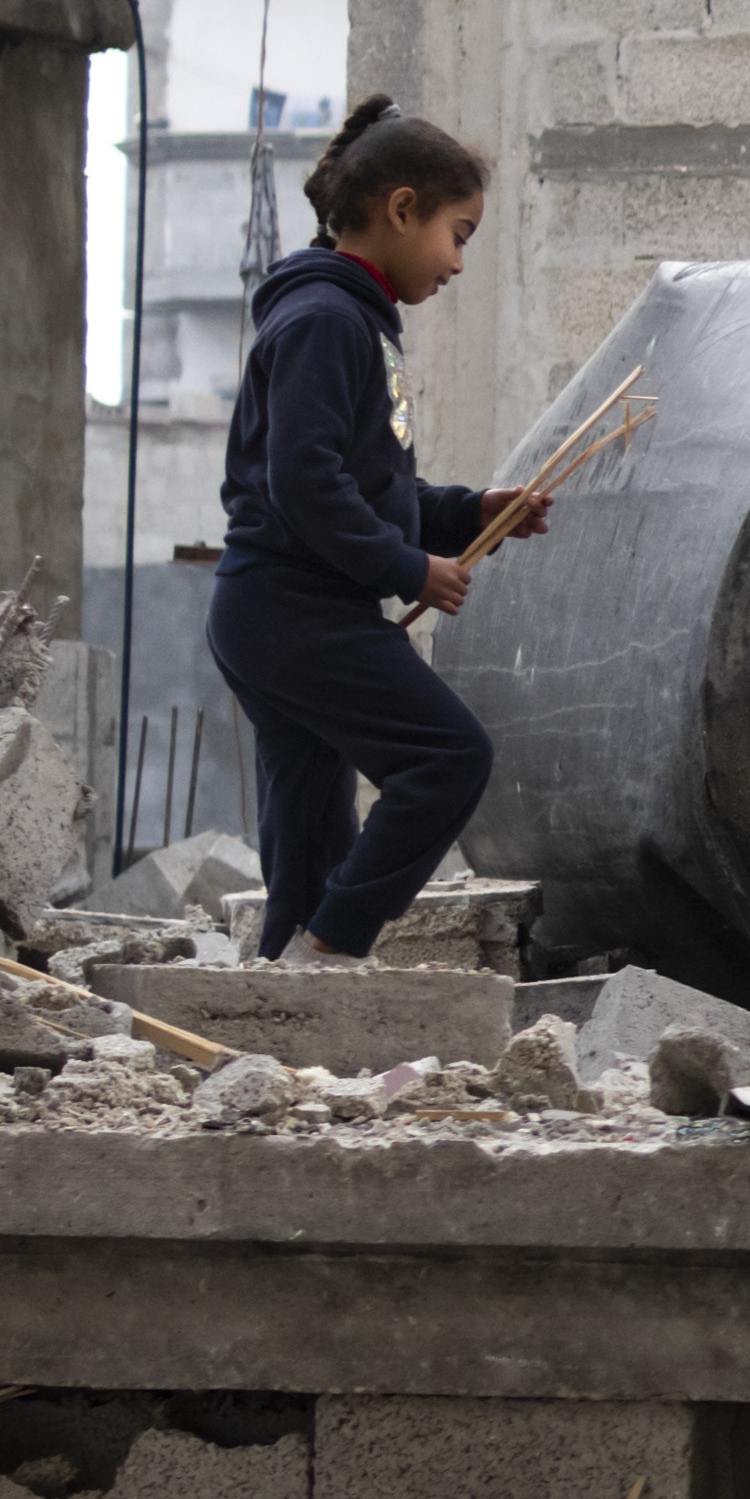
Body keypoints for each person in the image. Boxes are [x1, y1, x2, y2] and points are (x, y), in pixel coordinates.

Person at [216, 97, 555, 962]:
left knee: (310, 822)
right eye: (460, 232)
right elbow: (305, 482)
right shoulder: (328, 321)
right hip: (296, 611)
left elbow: (373, 485)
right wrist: (411, 566)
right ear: (402, 209)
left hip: (274, 610)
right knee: (448, 758)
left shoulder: (350, 320)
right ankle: (334, 948)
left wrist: (469, 512)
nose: (460, 262)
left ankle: (284, 983)